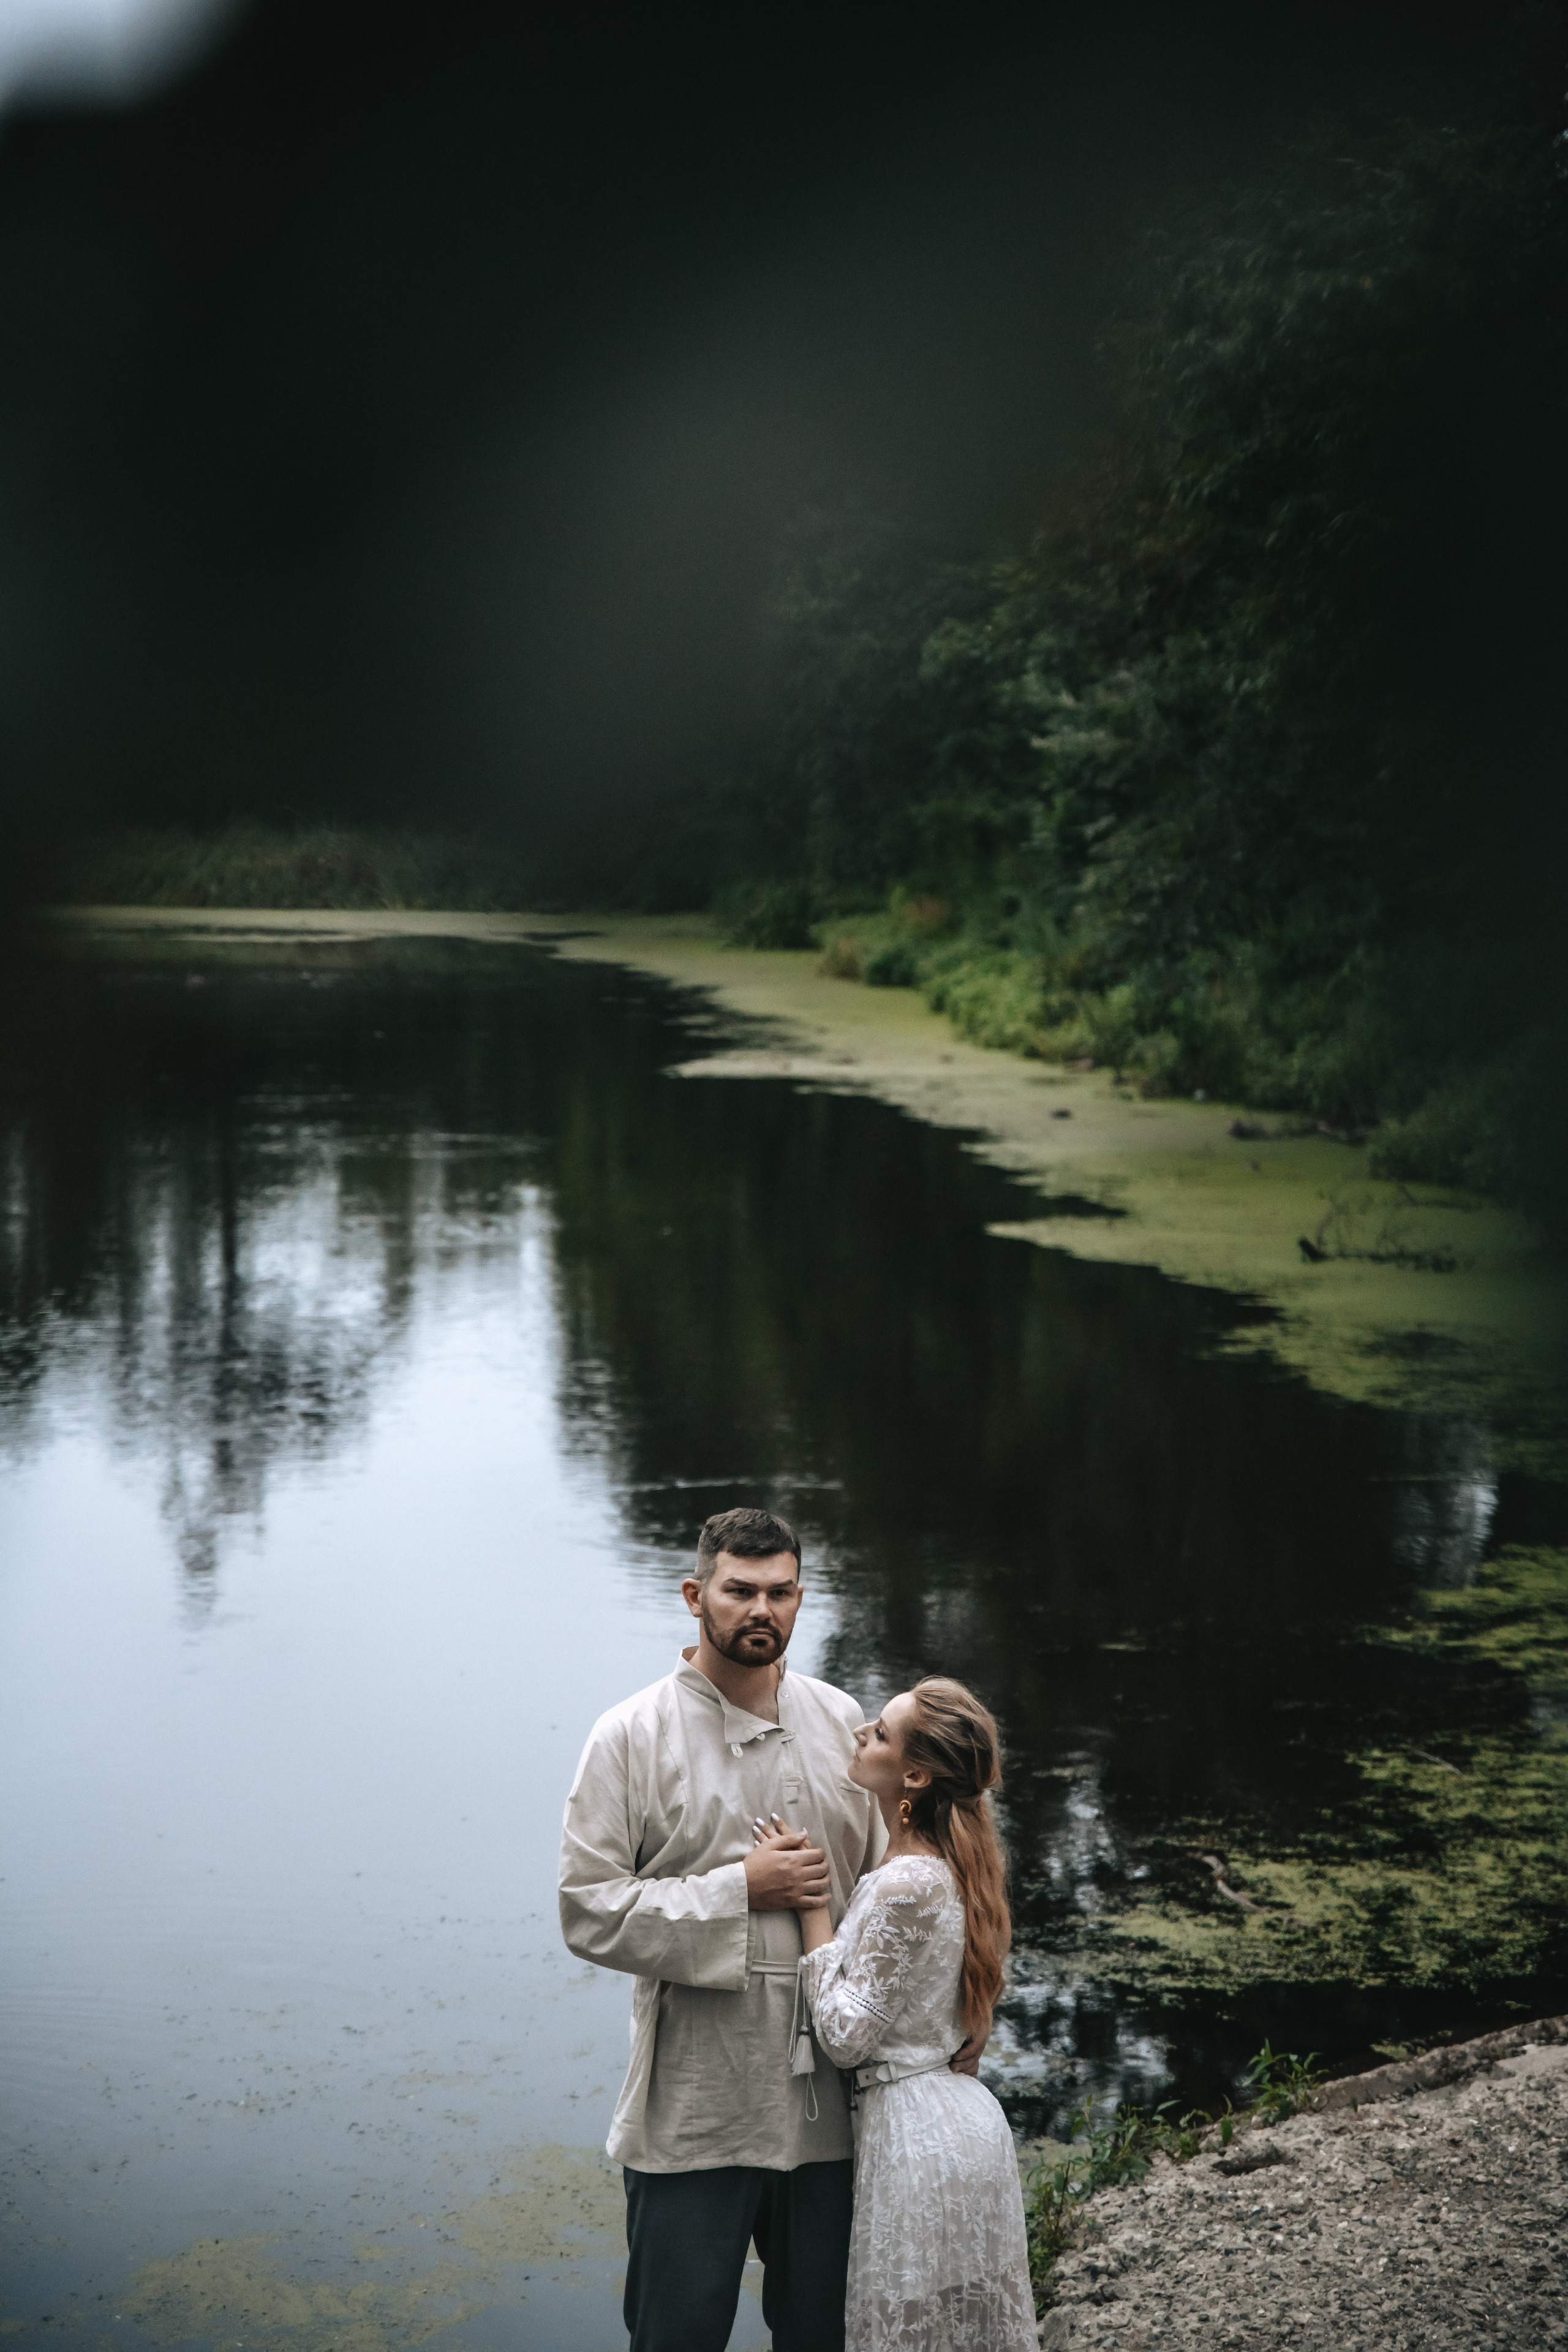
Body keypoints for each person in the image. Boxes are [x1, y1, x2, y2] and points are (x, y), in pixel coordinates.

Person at [558, 1507, 988, 2352]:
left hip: (835, 2112)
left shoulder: (843, 1724)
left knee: (828, 2340)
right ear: (695, 1595)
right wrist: (737, 1890)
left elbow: (909, 1889)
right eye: (740, 1591)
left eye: (781, 1592)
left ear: (801, 1597)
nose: (762, 1610)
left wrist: (968, 2006)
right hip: (695, 2114)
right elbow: (587, 1909)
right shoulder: (628, 1737)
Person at [766, 1674, 1036, 2352]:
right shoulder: (946, 1862)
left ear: (913, 1775)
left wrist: (812, 1912)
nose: (860, 1733)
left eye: (880, 1733)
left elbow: (847, 2038)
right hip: (957, 2119)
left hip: (918, 2137)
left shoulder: (906, 1882)